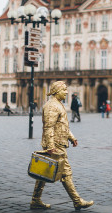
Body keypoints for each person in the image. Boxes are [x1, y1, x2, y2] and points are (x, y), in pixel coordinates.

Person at [30, 81, 93, 210]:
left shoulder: (58, 104)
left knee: (44, 171)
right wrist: (51, 146)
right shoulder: (52, 106)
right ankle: (77, 201)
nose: (66, 92)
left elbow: (62, 126)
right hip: (55, 146)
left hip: (58, 143)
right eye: (64, 89)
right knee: (66, 173)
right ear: (56, 91)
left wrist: (72, 138)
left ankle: (35, 200)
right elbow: (49, 127)